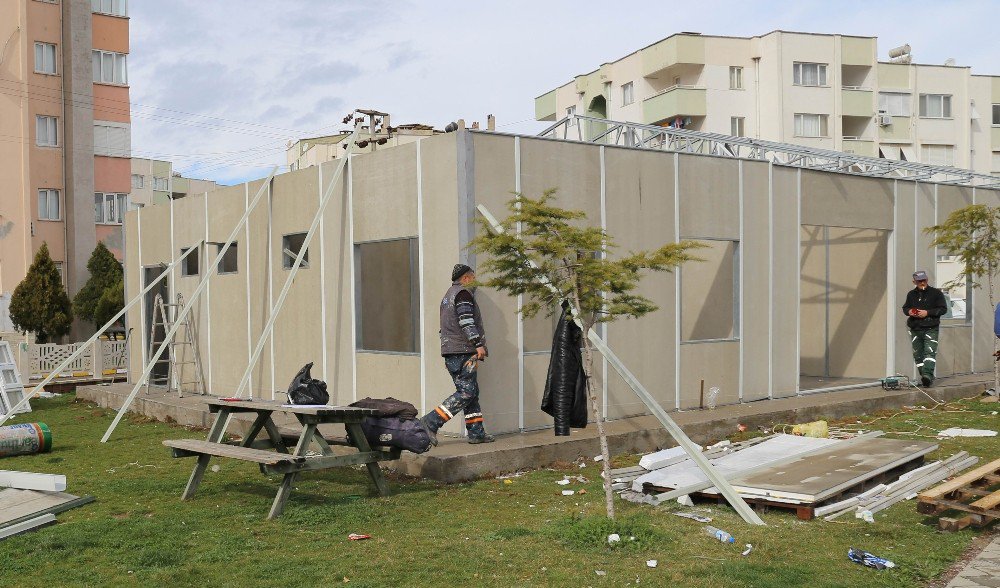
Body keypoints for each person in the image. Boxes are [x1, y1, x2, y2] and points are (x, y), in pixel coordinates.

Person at [418, 264, 496, 445]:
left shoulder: (448, 295)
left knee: (471, 393)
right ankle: (430, 422)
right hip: (463, 350)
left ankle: (476, 433)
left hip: (451, 351)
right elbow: (466, 321)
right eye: (473, 277)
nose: (476, 282)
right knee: (467, 392)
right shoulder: (463, 294)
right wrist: (478, 344)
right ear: (466, 278)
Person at [901, 270, 949, 387]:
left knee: (929, 352)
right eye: (919, 281)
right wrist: (910, 311)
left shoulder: (936, 293)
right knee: (918, 355)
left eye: (924, 280)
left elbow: (943, 309)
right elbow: (905, 308)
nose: (922, 282)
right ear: (914, 282)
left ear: (927, 280)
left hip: (930, 327)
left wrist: (927, 313)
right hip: (915, 328)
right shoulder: (911, 294)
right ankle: (926, 377)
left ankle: (927, 375)